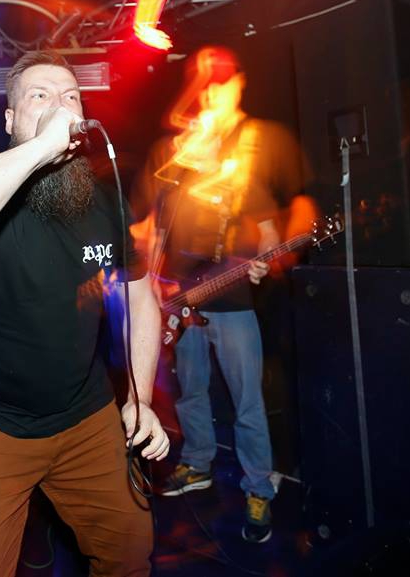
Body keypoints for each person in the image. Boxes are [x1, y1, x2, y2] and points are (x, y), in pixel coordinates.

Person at [0, 50, 168, 577]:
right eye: (39, 96)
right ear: (10, 119)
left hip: (85, 417)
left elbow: (140, 297)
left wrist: (140, 399)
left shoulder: (104, 201)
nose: (60, 107)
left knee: (130, 554)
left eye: (71, 97)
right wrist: (41, 148)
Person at [133, 47, 316, 544]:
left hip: (232, 306)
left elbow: (270, 242)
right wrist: (154, 284)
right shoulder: (176, 177)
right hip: (180, 305)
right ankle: (197, 463)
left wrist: (266, 263)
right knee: (191, 392)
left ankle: (258, 487)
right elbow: (153, 235)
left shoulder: (244, 177)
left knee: (246, 401)